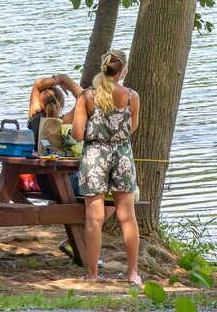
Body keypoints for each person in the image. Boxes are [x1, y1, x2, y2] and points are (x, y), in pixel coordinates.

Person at [72, 50, 141, 284]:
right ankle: (132, 273)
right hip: (122, 155)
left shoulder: (87, 96)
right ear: (123, 71)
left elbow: (77, 133)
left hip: (94, 156)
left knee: (94, 218)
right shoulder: (132, 96)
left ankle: (92, 274)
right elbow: (131, 128)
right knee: (127, 217)